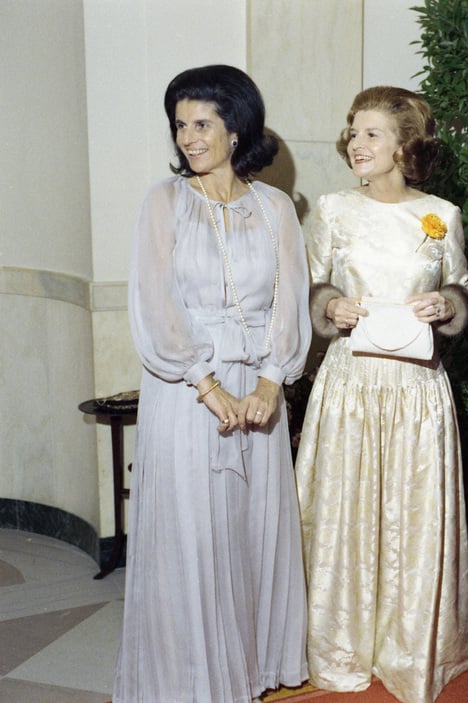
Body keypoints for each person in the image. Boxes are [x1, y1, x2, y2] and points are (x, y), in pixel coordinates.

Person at [117, 64, 311, 702]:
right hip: (186, 393)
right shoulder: (163, 202)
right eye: (180, 125)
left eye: (203, 123)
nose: (189, 138)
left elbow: (289, 303)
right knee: (191, 537)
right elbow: (155, 305)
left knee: (250, 532)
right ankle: (193, 682)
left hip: (259, 392)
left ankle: (250, 670)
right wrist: (208, 387)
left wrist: (269, 384)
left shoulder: (276, 207)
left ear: (237, 129)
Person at [294, 86, 468, 703]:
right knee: (346, 513)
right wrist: (329, 305)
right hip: (349, 386)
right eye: (352, 131)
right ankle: (341, 643)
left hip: (417, 391)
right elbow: (312, 287)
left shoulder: (441, 215)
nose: (356, 143)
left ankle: (408, 649)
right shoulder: (332, 209)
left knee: (411, 518)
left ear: (405, 146)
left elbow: (461, 289)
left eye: (371, 133)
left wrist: (447, 305)